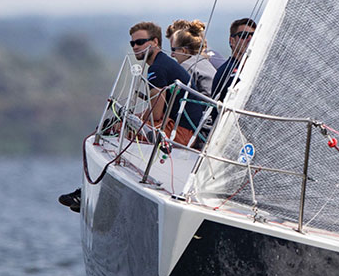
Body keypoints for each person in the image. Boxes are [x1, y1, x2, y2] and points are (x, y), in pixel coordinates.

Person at [58, 22, 199, 213]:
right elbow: (158, 114)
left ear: (155, 42)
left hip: (180, 132)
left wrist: (126, 121)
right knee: (121, 129)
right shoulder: (163, 63)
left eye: (140, 42)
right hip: (179, 127)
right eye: (132, 43)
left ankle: (89, 193)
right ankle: (90, 192)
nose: (135, 47)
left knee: (116, 136)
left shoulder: (157, 69)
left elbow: (155, 115)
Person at [211, 17, 257, 102]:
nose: (250, 39)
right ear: (232, 41)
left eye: (254, 35)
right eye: (244, 35)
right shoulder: (227, 71)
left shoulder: (256, 70)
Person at [167, 22, 217, 96]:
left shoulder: (186, 66)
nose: (172, 55)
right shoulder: (204, 61)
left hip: (203, 105)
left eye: (173, 49)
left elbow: (176, 94)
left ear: (184, 51)